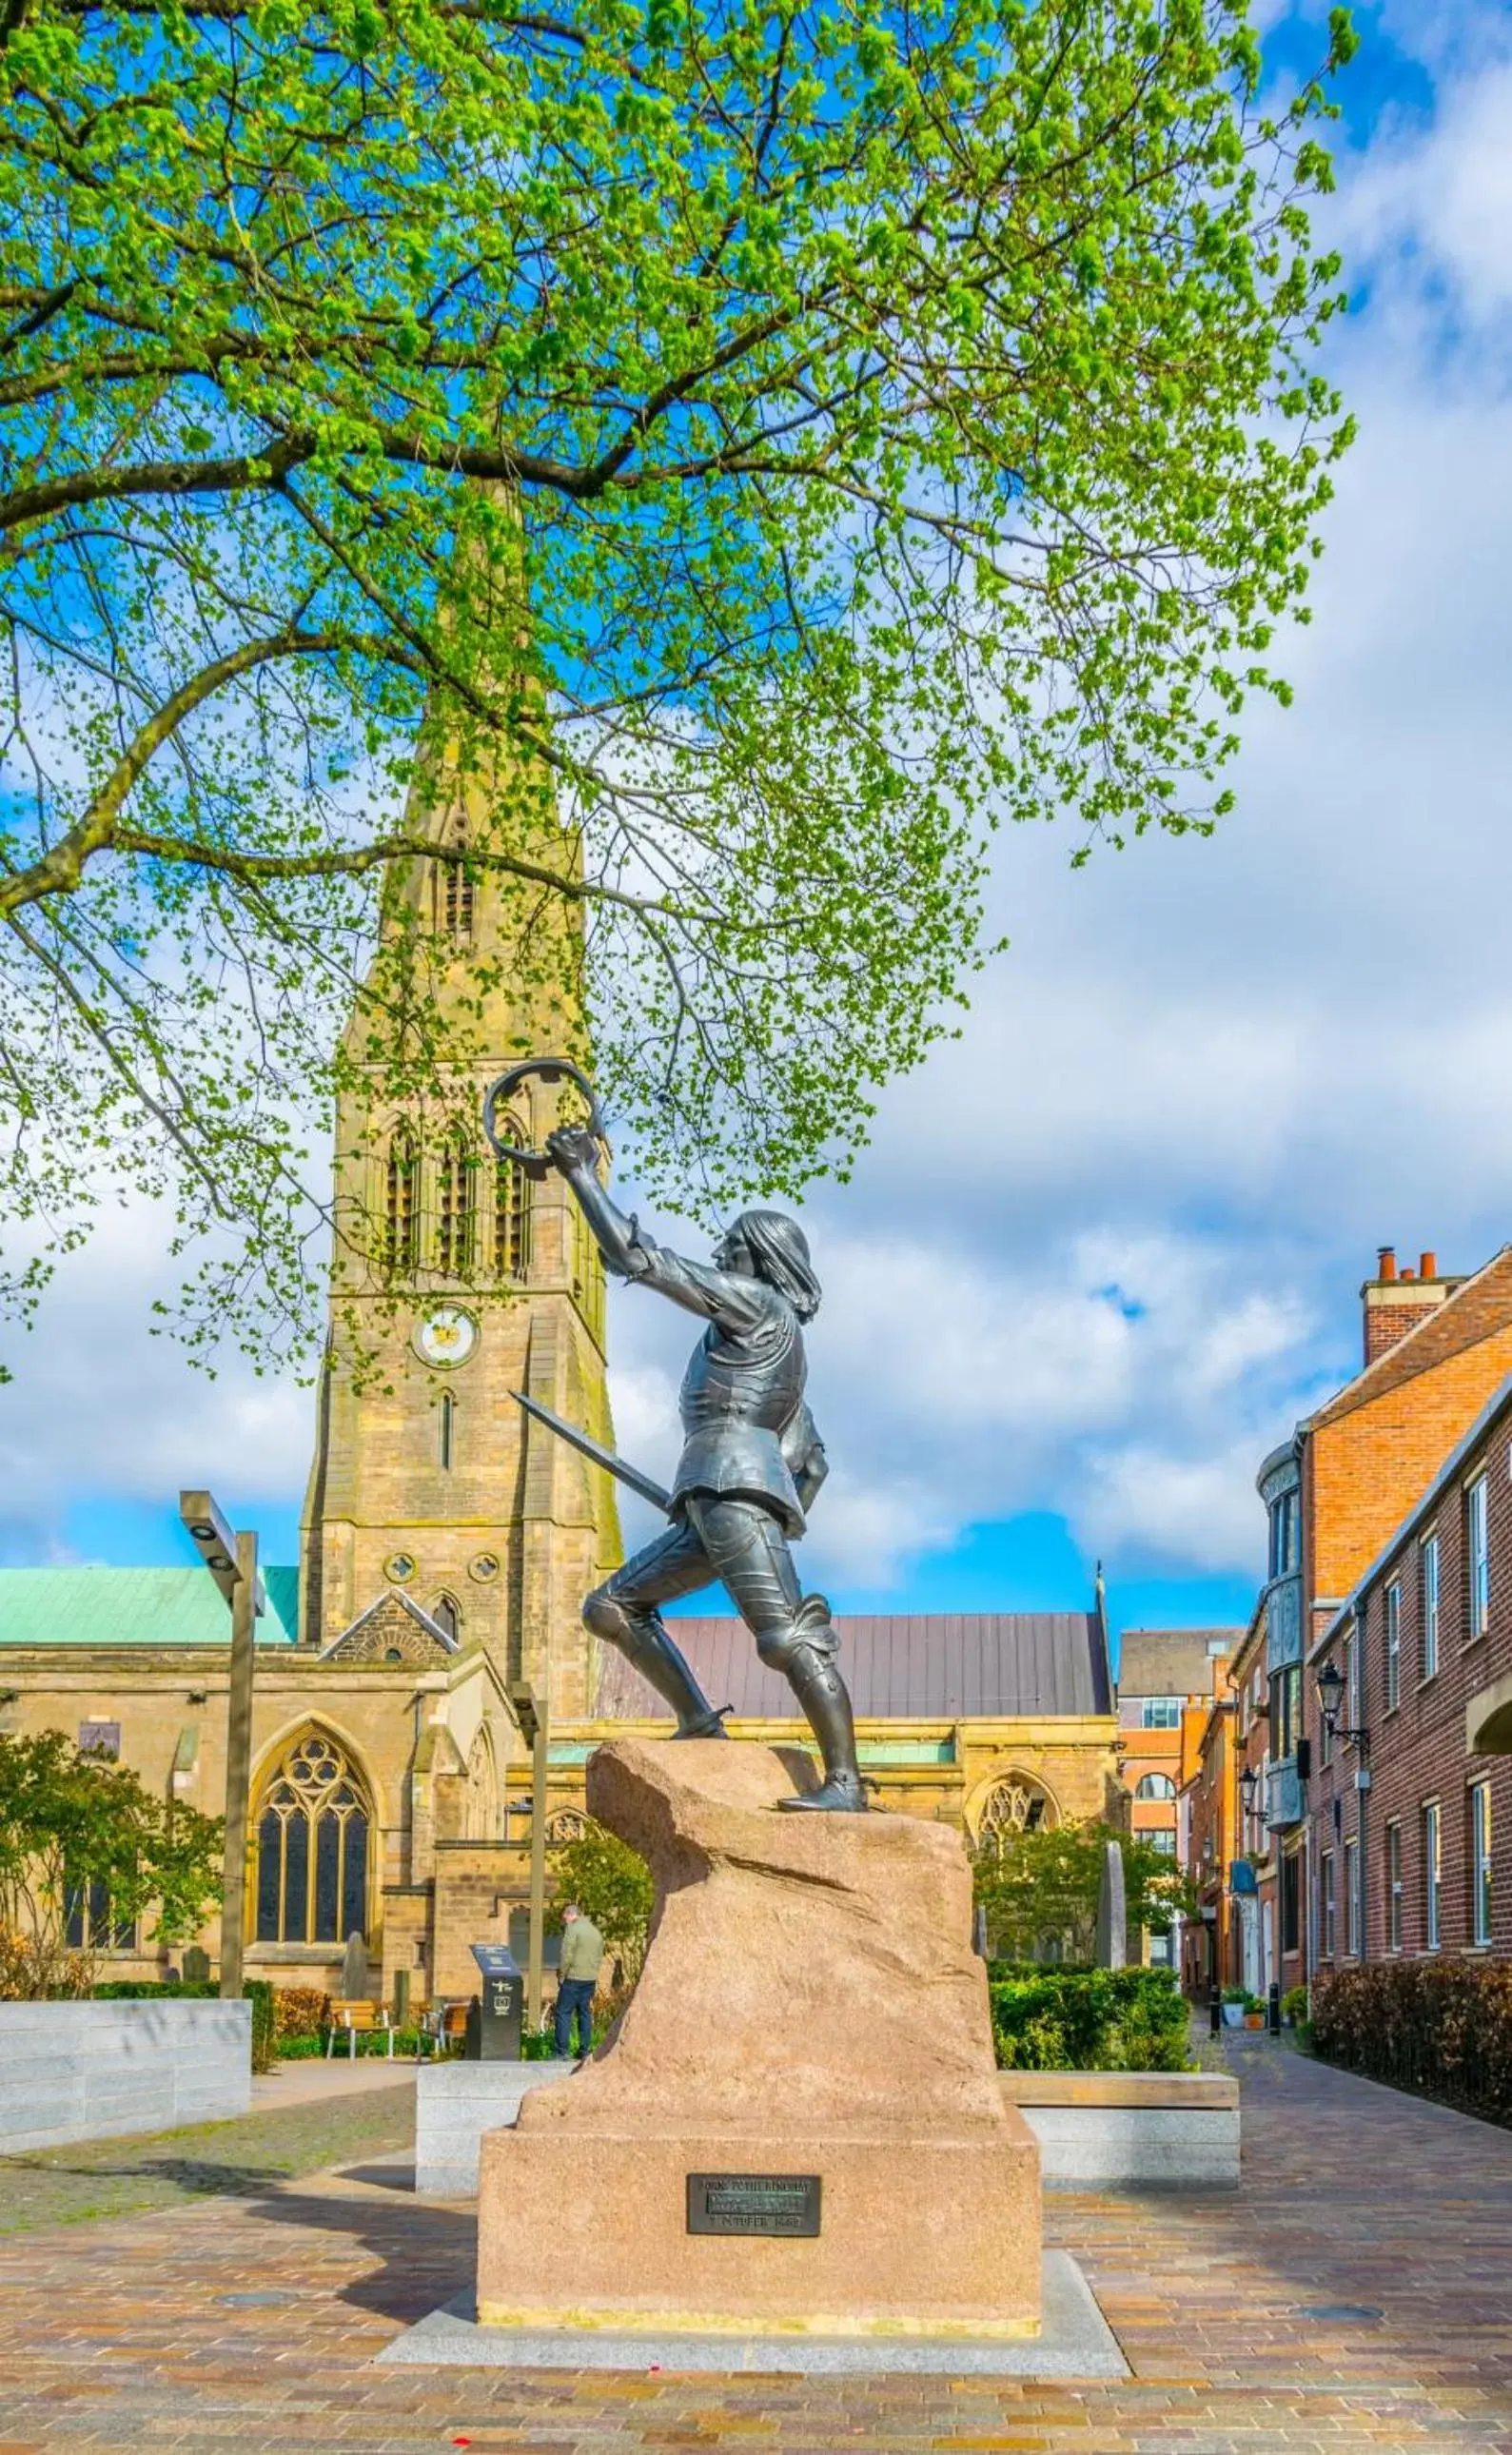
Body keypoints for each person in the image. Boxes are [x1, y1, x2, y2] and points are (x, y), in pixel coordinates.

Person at [544, 1124, 865, 1812]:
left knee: (784, 1635)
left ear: (760, 1259)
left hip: (728, 1494)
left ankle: (845, 1783)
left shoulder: (758, 1305)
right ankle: (696, 1720)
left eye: (732, 1248)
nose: (720, 1255)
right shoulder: (782, 1353)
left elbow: (641, 1258)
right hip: (717, 1499)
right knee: (611, 1609)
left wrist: (580, 1176)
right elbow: (811, 1463)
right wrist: (765, 1505)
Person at [555, 1902, 603, 2059]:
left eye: (565, 1918)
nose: (565, 1921)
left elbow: (566, 1954)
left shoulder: (573, 1929)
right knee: (584, 2013)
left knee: (563, 2012)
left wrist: (562, 1975)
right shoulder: (595, 1930)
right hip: (590, 1979)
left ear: (570, 1915)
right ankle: (584, 2050)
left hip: (573, 1978)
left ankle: (562, 2051)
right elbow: (599, 1955)